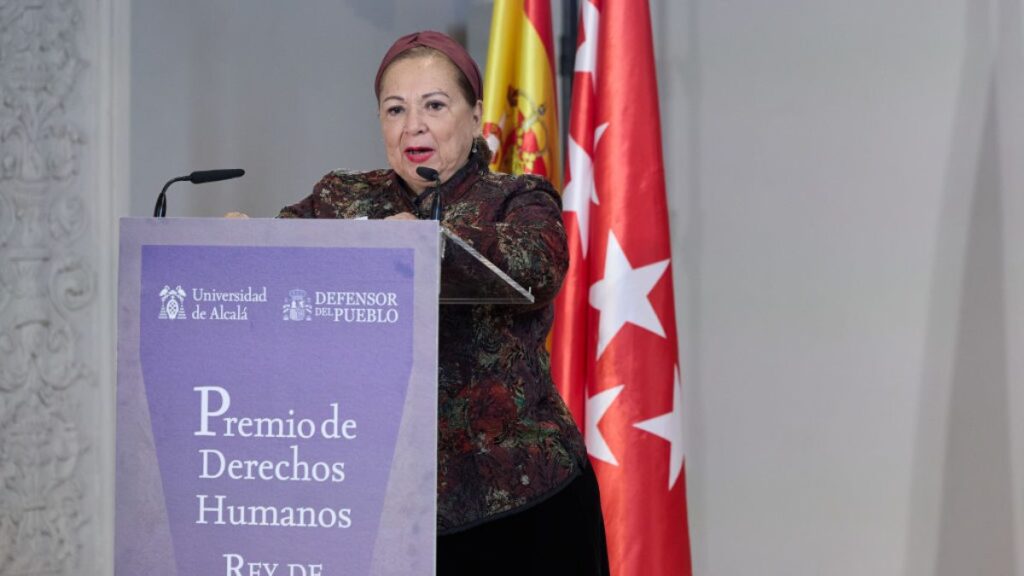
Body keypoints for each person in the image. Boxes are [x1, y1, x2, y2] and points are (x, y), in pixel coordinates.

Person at [276, 31, 608, 574]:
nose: (413, 126)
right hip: (381, 505)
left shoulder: (518, 198)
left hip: (521, 507)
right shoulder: (341, 197)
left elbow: (538, 265)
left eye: (434, 105)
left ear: (475, 118)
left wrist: (426, 241)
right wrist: (239, 239)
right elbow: (279, 256)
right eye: (395, 109)